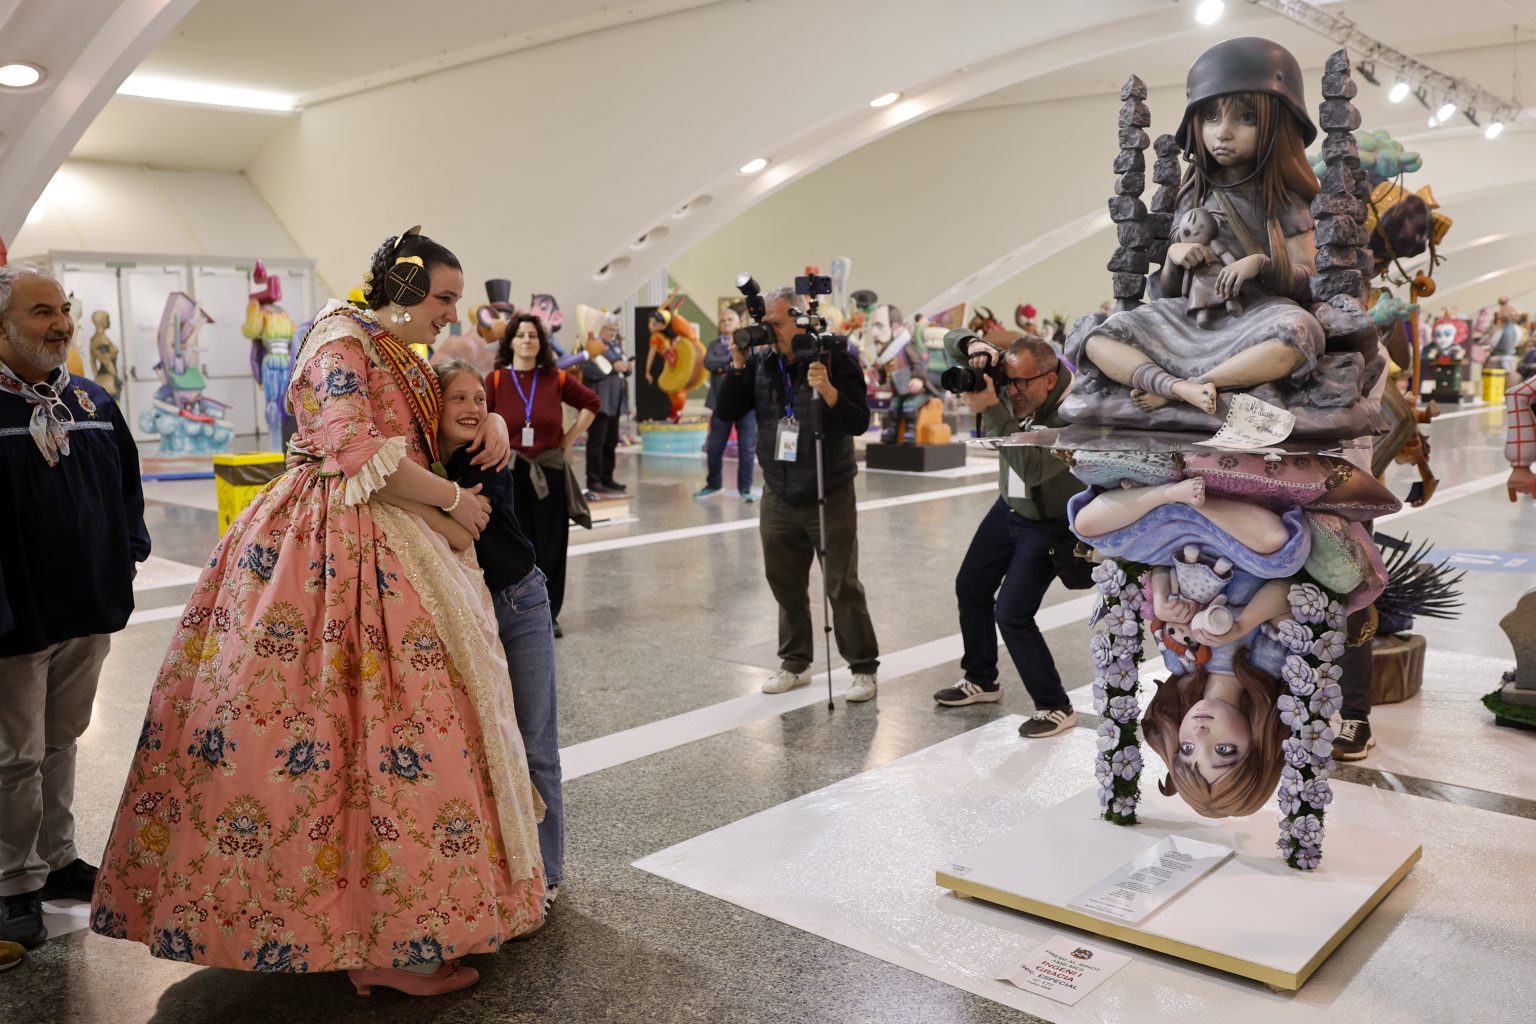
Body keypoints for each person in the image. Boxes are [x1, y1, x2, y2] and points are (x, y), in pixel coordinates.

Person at [90, 230, 547, 997]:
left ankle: (389, 932)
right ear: (406, 285)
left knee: (388, 745)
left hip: (391, 544)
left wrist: (491, 422)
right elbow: (351, 446)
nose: (449, 312)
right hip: (333, 555)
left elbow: (424, 420)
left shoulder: (384, 343)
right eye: (442, 297)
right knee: (356, 739)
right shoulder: (341, 338)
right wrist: (449, 499)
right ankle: (376, 943)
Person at [0, 264, 149, 951]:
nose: (60, 324)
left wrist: (127, 555)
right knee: (14, 757)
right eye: (42, 312)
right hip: (17, 617)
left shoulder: (90, 401)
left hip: (86, 608)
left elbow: (126, 488)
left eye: (63, 309)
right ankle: (13, 881)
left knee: (62, 740)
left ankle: (56, 858)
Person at [434, 359, 564, 908]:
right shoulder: (417, 458)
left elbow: (470, 526)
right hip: (463, 613)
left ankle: (548, 875)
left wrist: (498, 423)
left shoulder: (480, 455)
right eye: (458, 398)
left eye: (479, 400)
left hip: (517, 602)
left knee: (535, 743)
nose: (472, 408)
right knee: (483, 747)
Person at [714, 286, 880, 701]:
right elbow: (726, 411)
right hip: (778, 491)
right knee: (784, 582)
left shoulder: (834, 358)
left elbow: (859, 421)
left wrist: (829, 391)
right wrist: (738, 365)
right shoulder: (762, 363)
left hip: (829, 487)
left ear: (798, 318)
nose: (768, 332)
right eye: (764, 324)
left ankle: (863, 668)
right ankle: (795, 662)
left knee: (841, 585)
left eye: (775, 323)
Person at [933, 335, 1087, 738]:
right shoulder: (1016, 386)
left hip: (1049, 523)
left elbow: (1032, 469)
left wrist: (992, 409)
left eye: (1021, 383)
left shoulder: (1075, 414)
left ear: (1050, 379)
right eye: (1008, 380)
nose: (1012, 390)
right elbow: (951, 341)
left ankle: (1055, 705)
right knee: (971, 585)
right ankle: (981, 678)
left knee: (1013, 613)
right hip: (1009, 509)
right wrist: (975, 346)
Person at [488, 313, 601, 637]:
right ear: (510, 342)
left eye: (533, 335)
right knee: (515, 542)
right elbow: (481, 418)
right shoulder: (495, 380)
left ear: (542, 343)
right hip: (509, 473)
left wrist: (569, 438)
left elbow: (592, 402)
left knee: (552, 544)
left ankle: (549, 614)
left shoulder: (556, 378)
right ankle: (516, 610)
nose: (527, 340)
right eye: (520, 335)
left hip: (549, 472)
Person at [697, 305, 757, 501]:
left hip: (746, 405)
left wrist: (724, 366)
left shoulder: (749, 344)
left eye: (730, 319)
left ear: (739, 322)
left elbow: (753, 364)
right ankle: (713, 484)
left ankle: (745, 489)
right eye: (723, 320)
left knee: (747, 449)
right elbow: (709, 363)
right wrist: (732, 358)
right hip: (720, 404)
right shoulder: (713, 345)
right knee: (714, 447)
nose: (726, 323)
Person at [579, 312, 632, 495]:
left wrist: (627, 368)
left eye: (616, 330)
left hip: (615, 402)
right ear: (600, 328)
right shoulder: (591, 345)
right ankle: (594, 480)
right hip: (600, 402)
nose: (613, 333)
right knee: (597, 443)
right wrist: (612, 368)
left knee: (611, 442)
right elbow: (586, 369)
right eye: (610, 329)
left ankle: (607, 478)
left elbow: (621, 370)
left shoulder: (615, 346)